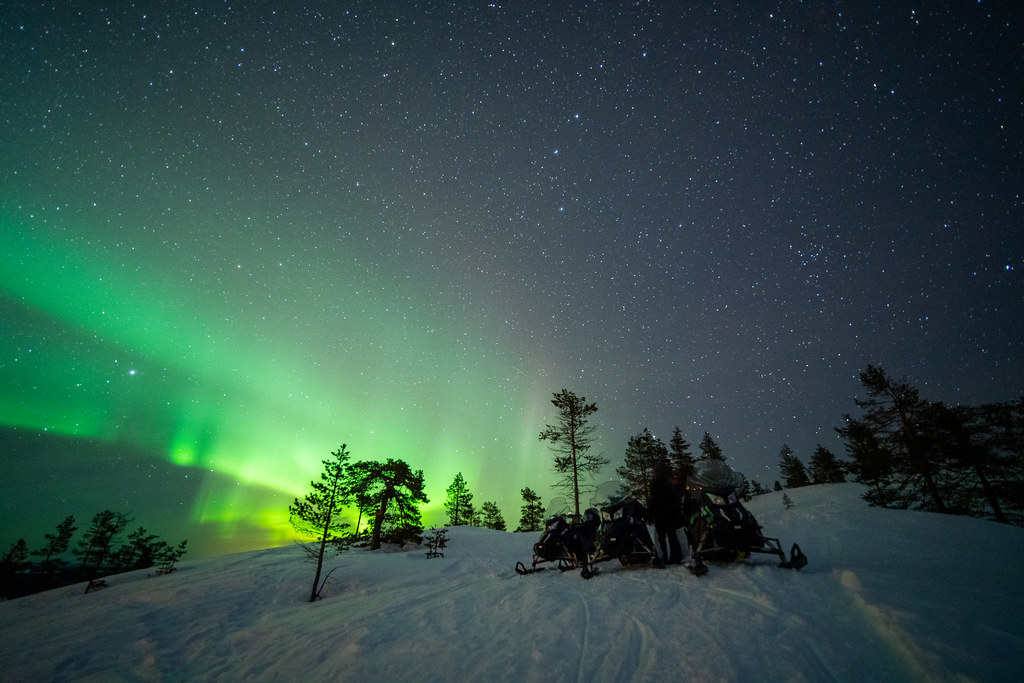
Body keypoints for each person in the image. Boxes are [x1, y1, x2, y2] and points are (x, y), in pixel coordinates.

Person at [649, 463, 683, 564]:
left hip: (661, 515)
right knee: (671, 536)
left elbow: (653, 500)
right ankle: (675, 557)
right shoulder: (669, 484)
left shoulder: (657, 484)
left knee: (662, 538)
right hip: (669, 514)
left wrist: (650, 513)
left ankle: (664, 557)